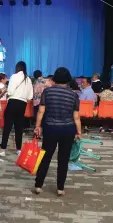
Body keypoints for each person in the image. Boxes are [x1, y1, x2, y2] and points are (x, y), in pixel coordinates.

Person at [34, 67, 82, 196]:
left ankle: (38, 185)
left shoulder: (47, 92)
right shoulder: (74, 95)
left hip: (50, 128)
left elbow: (41, 111)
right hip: (68, 129)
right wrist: (79, 132)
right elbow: (76, 117)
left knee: (45, 156)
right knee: (63, 159)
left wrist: (37, 126)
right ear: (68, 79)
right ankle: (60, 188)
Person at [0, 61, 33, 156]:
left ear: (17, 68)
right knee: (19, 127)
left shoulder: (14, 76)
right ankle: (18, 149)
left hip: (13, 102)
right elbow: (30, 96)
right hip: (23, 104)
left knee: (7, 127)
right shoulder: (28, 79)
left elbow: (11, 91)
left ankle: (3, 149)